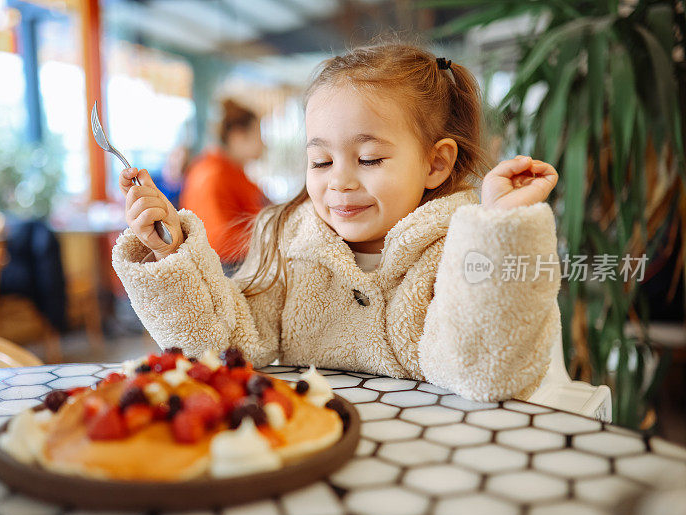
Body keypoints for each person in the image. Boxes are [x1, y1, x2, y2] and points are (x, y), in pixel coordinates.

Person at [112, 43, 561, 402]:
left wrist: (499, 231)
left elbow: (486, 373)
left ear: (435, 164)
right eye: (321, 161)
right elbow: (225, 346)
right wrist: (170, 252)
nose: (339, 181)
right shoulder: (288, 244)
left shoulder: (458, 248)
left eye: (368, 158)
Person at [179, 99, 267, 272]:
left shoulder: (227, 170)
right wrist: (273, 240)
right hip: (226, 269)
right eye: (259, 134)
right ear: (237, 136)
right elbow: (218, 241)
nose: (263, 144)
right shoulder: (214, 174)